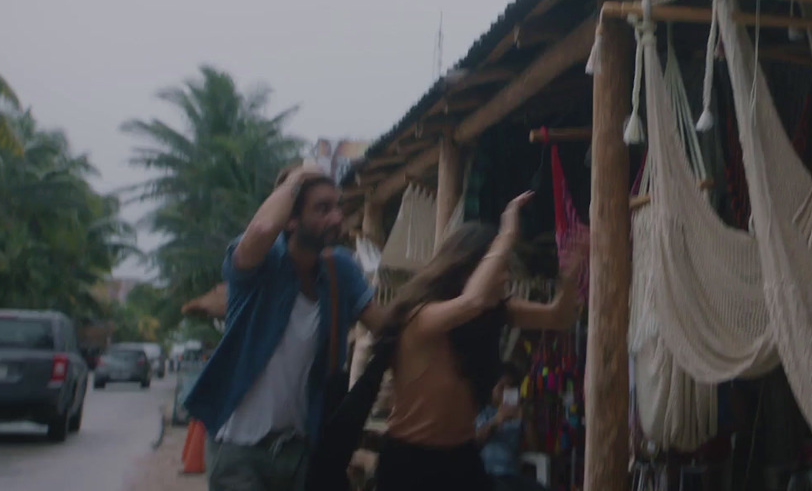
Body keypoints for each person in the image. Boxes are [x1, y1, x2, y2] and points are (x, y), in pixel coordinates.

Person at [185, 165, 389, 491]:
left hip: (299, 453)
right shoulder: (259, 264)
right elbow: (265, 226)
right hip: (239, 449)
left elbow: (385, 326)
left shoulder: (341, 270)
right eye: (322, 209)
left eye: (337, 206)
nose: (337, 218)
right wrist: (297, 177)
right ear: (291, 220)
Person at [375, 191, 579, 491]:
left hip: (461, 458)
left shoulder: (491, 313)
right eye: (500, 268)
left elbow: (558, 318)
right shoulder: (421, 317)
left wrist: (571, 276)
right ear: (467, 270)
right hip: (411, 463)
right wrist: (507, 233)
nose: (506, 277)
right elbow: (472, 299)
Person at [476, 369, 547, 491]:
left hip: (512, 475)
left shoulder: (518, 415)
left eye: (510, 387)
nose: (505, 391)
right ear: (493, 391)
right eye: (501, 387)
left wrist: (527, 419)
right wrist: (497, 420)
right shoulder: (485, 413)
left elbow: (535, 448)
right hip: (488, 475)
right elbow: (475, 440)